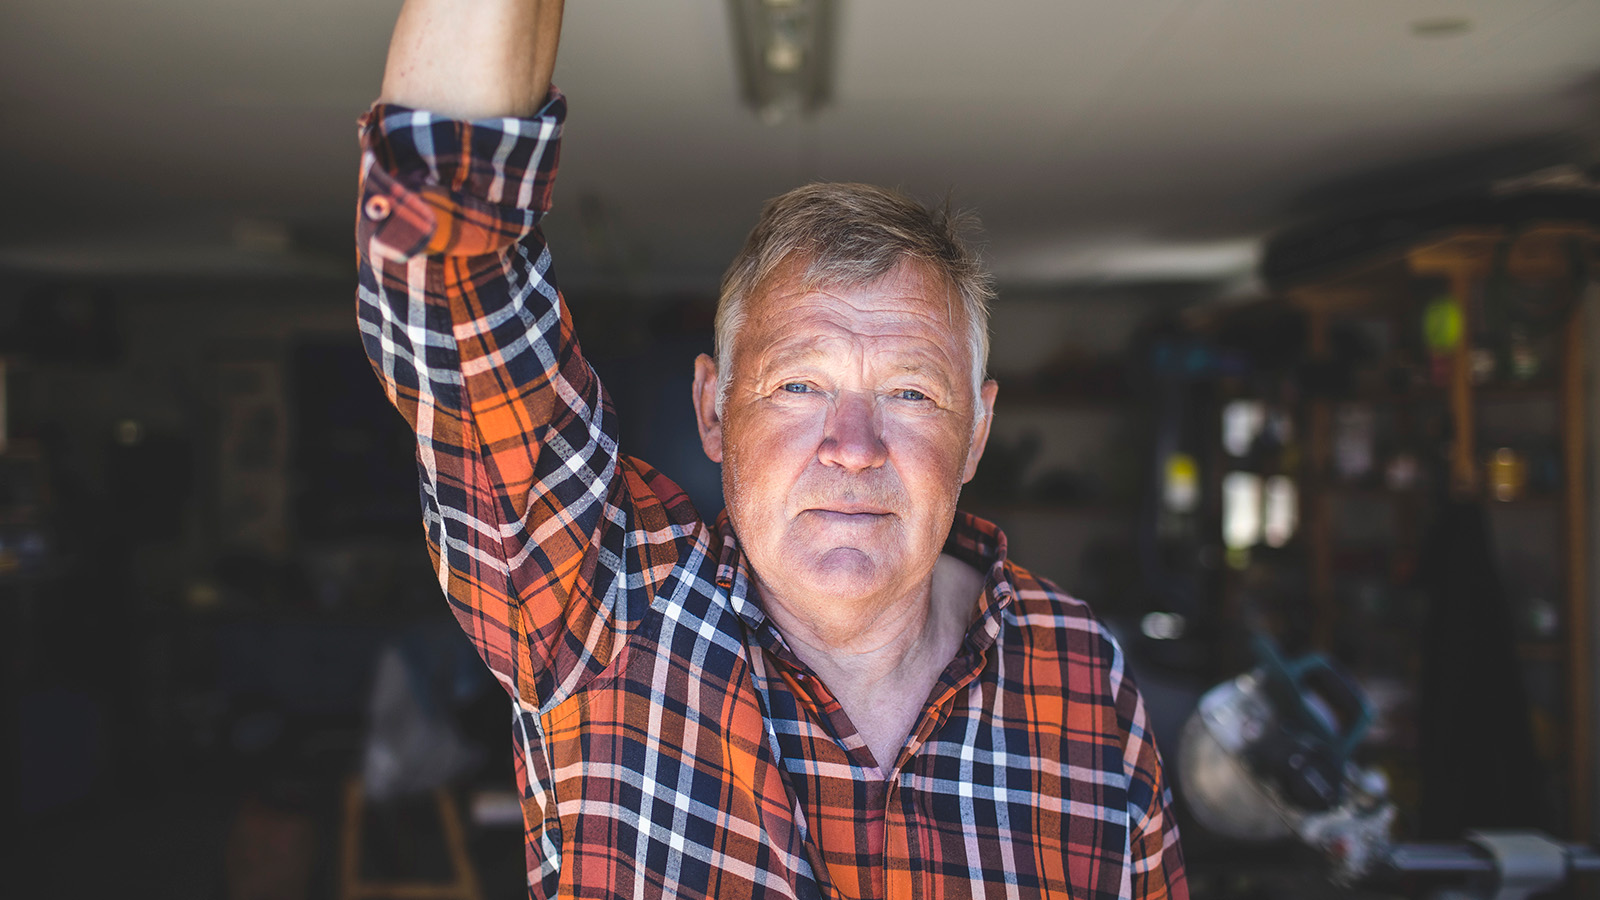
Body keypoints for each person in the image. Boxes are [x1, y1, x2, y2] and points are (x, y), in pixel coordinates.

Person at [355, 1, 1187, 896]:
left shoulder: (1077, 667)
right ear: (713, 412)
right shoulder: (604, 607)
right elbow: (448, 266)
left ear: (976, 432)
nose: (854, 447)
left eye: (909, 393)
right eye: (799, 386)